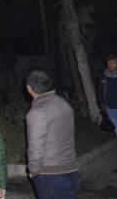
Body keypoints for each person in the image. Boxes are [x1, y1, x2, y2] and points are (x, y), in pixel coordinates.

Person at [25, 69, 80, 199]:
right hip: (71, 170)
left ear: (29, 88)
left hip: (51, 175)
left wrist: (33, 170)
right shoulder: (63, 103)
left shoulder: (37, 112)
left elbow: (36, 147)